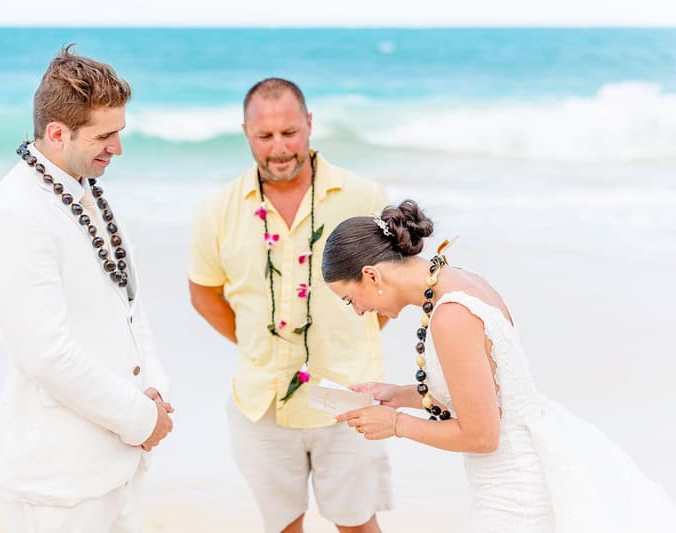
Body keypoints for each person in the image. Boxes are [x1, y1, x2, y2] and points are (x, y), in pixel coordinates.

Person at [322, 199, 676, 532]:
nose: (358, 311)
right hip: (527, 456)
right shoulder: (459, 281)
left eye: (350, 299)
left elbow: (481, 436)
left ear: (371, 275)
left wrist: (395, 425)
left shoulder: (451, 315)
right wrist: (399, 395)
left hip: (515, 486)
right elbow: (487, 389)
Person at [0, 45, 173, 533]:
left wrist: (156, 395)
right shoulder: (15, 212)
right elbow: (44, 353)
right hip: (59, 480)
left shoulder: (86, 191)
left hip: (116, 462)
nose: (117, 148)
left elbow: (129, 302)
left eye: (119, 133)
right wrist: (140, 420)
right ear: (57, 133)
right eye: (105, 136)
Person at [188, 78, 392, 533]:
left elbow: (392, 289)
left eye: (289, 133)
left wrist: (353, 336)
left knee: (358, 524)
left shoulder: (365, 198)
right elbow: (204, 293)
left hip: (348, 398)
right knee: (282, 527)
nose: (279, 148)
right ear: (245, 133)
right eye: (264, 136)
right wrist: (255, 343)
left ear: (310, 125)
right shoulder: (216, 210)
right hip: (261, 403)